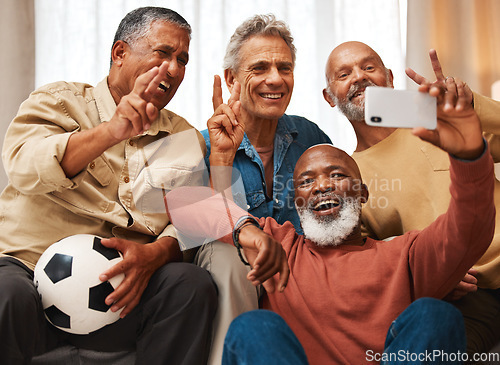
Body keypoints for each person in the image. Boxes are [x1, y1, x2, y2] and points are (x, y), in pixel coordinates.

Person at [166, 78, 495, 364]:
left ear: (362, 194)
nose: (321, 185)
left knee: (436, 316)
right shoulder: (277, 245)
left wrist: (470, 156)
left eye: (336, 175)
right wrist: (245, 229)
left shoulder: (405, 255)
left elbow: (469, 228)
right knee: (252, 328)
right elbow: (181, 205)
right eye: (307, 181)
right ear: (298, 202)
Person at [0, 7, 217, 365]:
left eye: (183, 60)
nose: (175, 70)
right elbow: (23, 165)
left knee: (190, 284)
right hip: (30, 277)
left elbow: (192, 224)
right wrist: (109, 132)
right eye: (163, 53)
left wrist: (156, 254)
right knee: (3, 294)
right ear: (119, 53)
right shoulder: (58, 100)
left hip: (124, 293)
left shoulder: (183, 136)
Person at [323, 41, 500, 356]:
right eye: (344, 74)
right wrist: (427, 276)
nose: (358, 77)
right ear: (330, 97)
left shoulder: (438, 121)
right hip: (466, 299)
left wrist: (471, 104)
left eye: (368, 67)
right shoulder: (349, 178)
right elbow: (369, 262)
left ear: (389, 78)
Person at [195, 14, 332, 364]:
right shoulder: (205, 143)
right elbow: (206, 220)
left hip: (300, 272)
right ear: (231, 79)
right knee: (228, 259)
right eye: (260, 67)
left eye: (284, 68)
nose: (275, 79)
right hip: (236, 267)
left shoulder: (311, 137)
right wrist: (223, 158)